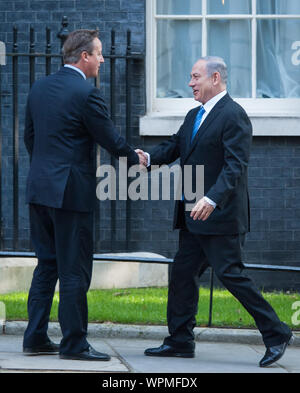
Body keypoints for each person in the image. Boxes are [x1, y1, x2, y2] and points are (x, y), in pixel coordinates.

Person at [137, 56, 293, 368]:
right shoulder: (195, 114)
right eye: (190, 77)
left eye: (195, 77)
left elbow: (236, 165)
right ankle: (180, 340)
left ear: (215, 78)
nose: (190, 83)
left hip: (218, 216)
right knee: (182, 273)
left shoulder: (234, 115)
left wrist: (211, 199)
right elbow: (174, 147)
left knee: (232, 276)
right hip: (192, 215)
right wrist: (148, 158)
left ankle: (276, 333)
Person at [23, 29, 146, 361]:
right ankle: (74, 344)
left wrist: (47, 171)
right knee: (74, 268)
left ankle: (34, 337)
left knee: (46, 265)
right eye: (99, 53)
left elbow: (30, 138)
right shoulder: (86, 93)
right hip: (70, 194)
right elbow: (110, 138)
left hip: (39, 189)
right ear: (84, 56)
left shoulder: (39, 88)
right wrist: (138, 158)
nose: (103, 60)